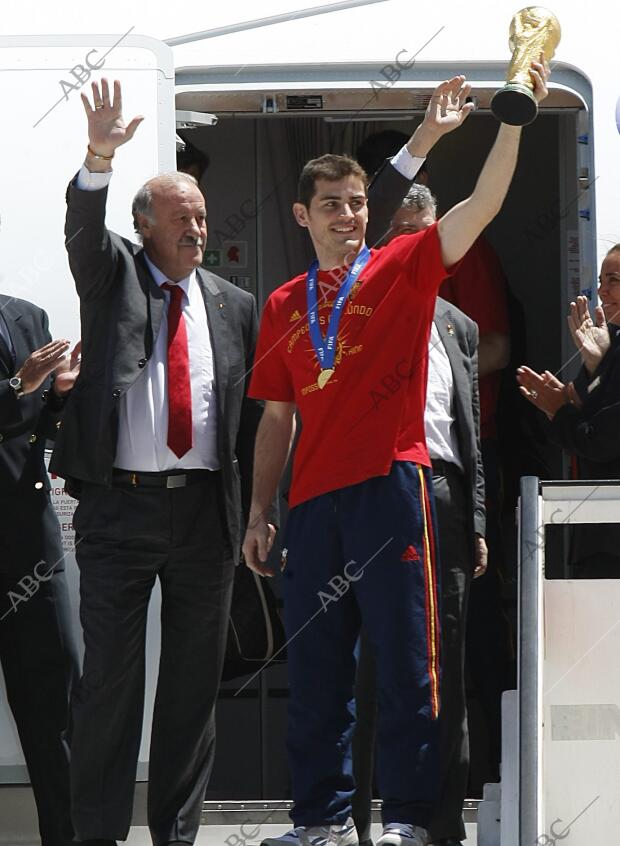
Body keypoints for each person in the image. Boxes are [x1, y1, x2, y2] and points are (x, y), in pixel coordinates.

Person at [244, 62, 549, 846]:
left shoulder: (402, 268)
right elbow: (276, 419)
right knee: (315, 672)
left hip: (394, 484)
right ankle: (320, 819)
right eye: (333, 206)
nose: (348, 216)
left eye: (357, 203)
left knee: (412, 665)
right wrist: (257, 511)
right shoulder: (282, 303)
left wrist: (511, 122)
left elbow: (482, 205)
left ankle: (409, 819)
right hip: (312, 504)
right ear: (302, 214)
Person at [50, 78, 274, 846]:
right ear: (145, 227)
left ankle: (176, 835)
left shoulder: (235, 305)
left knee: (189, 693)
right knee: (109, 686)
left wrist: (256, 515)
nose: (199, 230)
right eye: (183, 219)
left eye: (204, 218)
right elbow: (84, 231)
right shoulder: (112, 278)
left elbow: (249, 425)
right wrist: (99, 158)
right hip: (120, 511)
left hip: (204, 517)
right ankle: (98, 835)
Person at [351, 192, 487, 846]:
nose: (416, 251)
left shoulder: (459, 325)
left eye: (424, 237)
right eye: (401, 237)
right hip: (379, 494)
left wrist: (479, 519)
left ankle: (441, 825)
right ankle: (361, 820)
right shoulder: (360, 313)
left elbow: (471, 433)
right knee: (377, 661)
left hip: (447, 497)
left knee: (447, 665)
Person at [0, 291, 80, 846]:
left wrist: (58, 397)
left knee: (56, 699)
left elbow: (41, 433)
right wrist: (17, 388)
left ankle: (69, 835)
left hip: (29, 542)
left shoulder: (28, 317)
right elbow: (16, 400)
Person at [517, 246, 620, 577]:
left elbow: (599, 440)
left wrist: (561, 409)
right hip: (596, 533)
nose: (603, 291)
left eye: (614, 280)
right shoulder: (610, 344)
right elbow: (579, 422)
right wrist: (592, 368)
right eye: (602, 280)